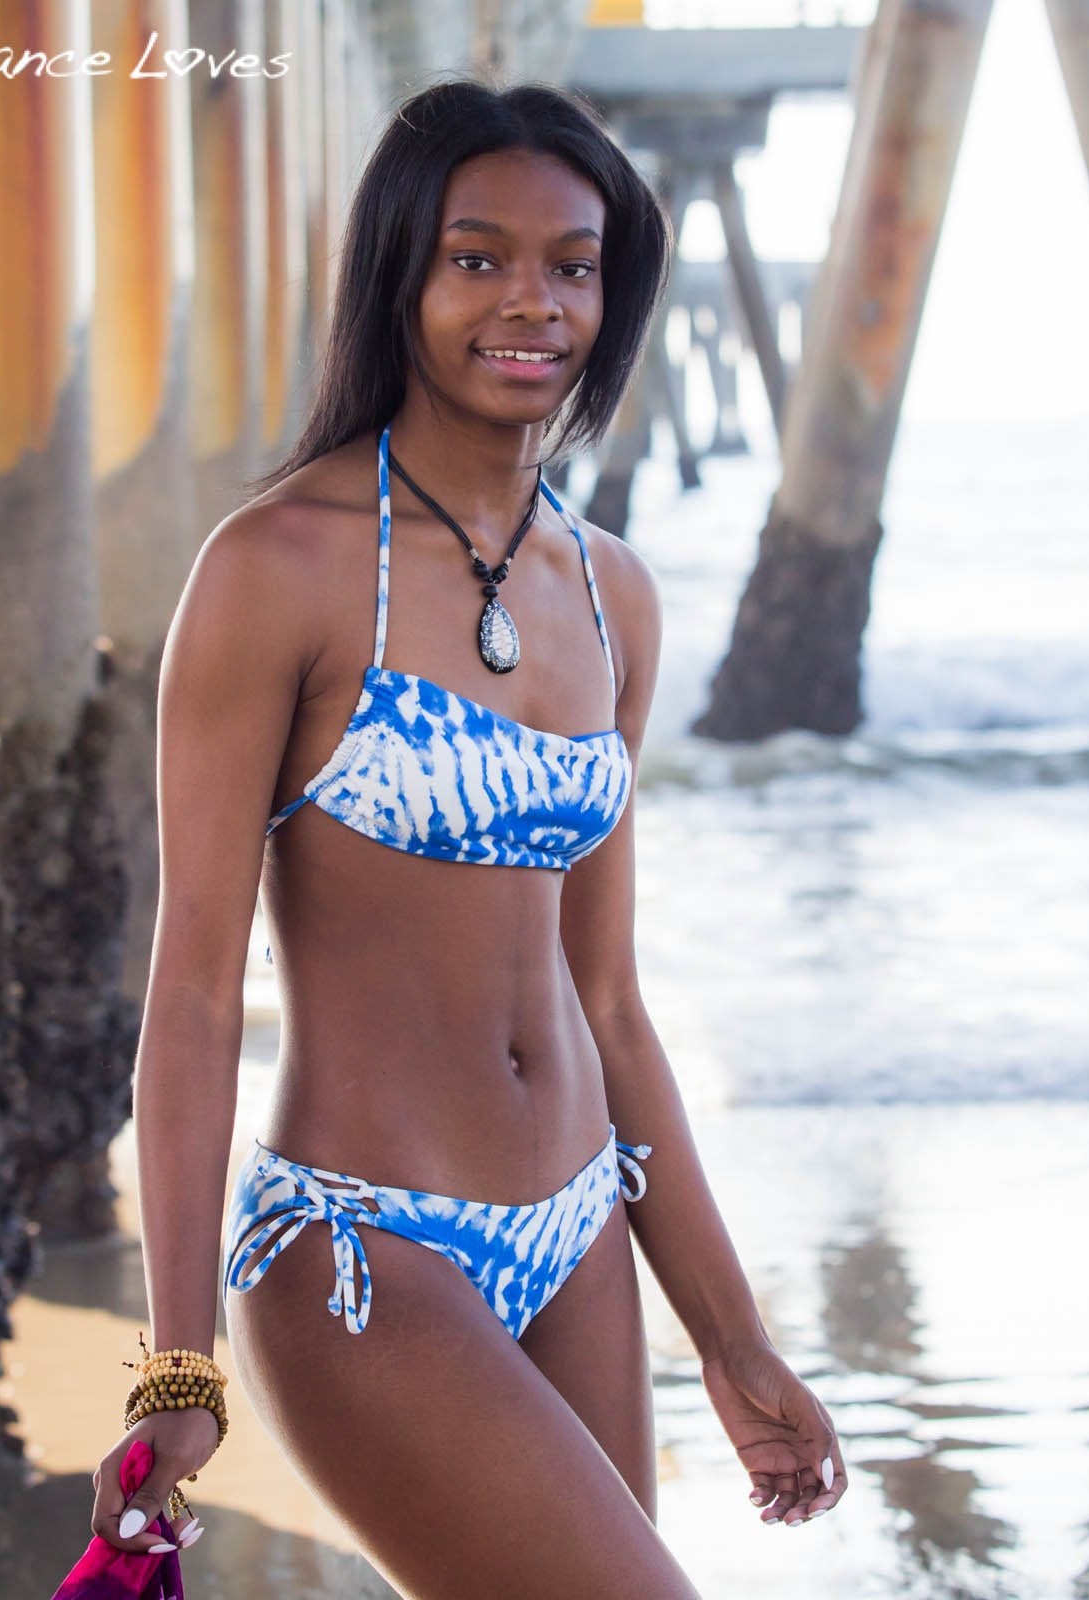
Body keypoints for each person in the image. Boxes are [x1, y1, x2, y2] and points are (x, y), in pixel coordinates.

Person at [88, 77, 847, 1598]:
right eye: (477, 256)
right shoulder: (280, 571)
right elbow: (185, 996)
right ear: (404, 276)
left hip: (579, 1234)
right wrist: (181, 1360)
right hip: (363, 1247)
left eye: (573, 266)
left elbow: (611, 1005)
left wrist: (733, 1335)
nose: (532, 303)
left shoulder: (611, 591)